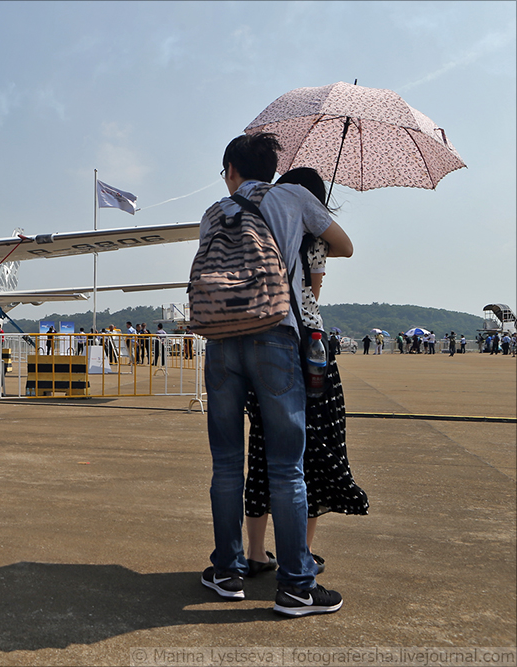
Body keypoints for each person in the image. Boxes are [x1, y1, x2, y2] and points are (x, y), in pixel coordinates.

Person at [197, 133, 352, 616]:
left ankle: (227, 571)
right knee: (287, 465)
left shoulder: (213, 213)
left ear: (230, 170)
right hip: (275, 333)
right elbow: (344, 246)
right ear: (270, 167)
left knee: (227, 463)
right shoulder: (294, 197)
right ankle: (296, 587)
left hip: (221, 341)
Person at [242, 166, 369, 592]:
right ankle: (301, 553)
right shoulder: (314, 242)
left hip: (262, 341)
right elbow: (341, 256)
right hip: (308, 349)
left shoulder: (262, 232)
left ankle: (256, 551)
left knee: (262, 444)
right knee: (310, 450)